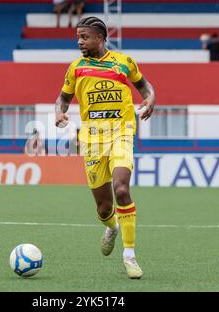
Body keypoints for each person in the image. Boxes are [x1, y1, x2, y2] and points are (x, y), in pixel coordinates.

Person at [54, 17, 156, 279]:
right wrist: (58, 112)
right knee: (103, 207)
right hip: (92, 139)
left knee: (122, 189)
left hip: (121, 132)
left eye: (84, 37)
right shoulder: (75, 68)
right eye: (78, 37)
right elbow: (63, 99)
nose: (80, 41)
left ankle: (130, 257)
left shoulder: (123, 62)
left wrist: (150, 97)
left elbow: (143, 85)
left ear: (100, 38)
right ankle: (111, 227)